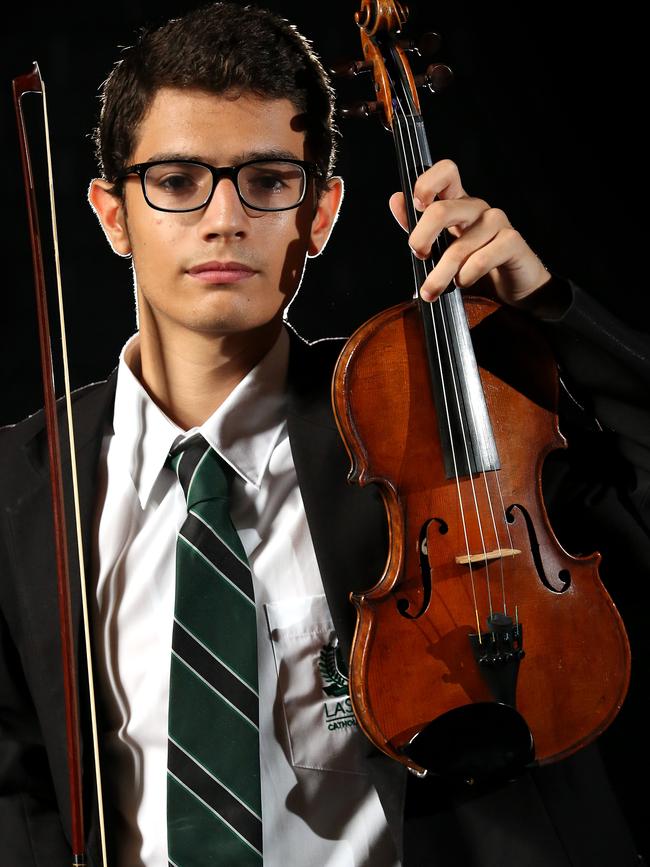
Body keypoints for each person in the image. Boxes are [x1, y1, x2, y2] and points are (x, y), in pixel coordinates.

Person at [1, 3, 648, 866]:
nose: (224, 218)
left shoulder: (432, 421)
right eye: (177, 180)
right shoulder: (19, 490)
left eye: (268, 180)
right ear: (114, 214)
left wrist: (551, 315)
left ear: (322, 212)